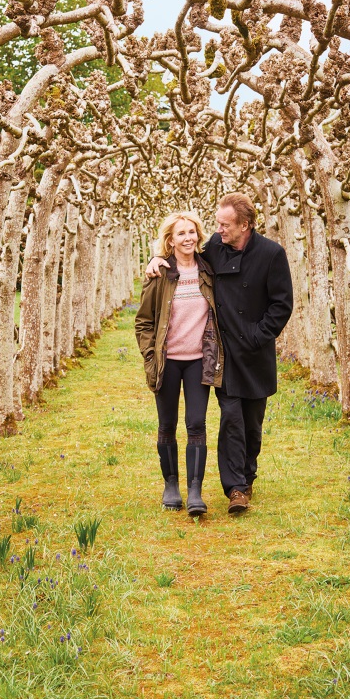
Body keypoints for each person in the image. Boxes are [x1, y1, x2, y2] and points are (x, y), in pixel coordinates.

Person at [146, 193, 293, 515]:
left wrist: (256, 336)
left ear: (245, 225)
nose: (218, 230)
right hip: (222, 355)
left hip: (255, 355)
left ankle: (247, 475)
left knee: (252, 425)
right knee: (230, 420)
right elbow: (182, 258)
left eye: (225, 225)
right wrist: (156, 260)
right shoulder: (214, 247)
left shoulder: (272, 254)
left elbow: (282, 305)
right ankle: (235, 488)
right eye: (217, 224)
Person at [135, 212, 224, 516]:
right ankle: (171, 485)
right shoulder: (160, 274)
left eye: (192, 232)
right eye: (181, 233)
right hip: (168, 362)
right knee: (167, 424)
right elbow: (143, 322)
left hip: (199, 360)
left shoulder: (208, 271)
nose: (188, 238)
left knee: (197, 424)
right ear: (170, 240)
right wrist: (151, 358)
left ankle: (195, 492)